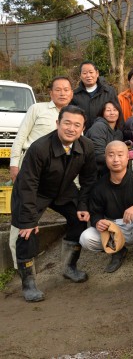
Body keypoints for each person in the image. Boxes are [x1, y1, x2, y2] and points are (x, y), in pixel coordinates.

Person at [12, 105, 97, 302]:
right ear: (58, 123)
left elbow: (88, 180)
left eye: (77, 125)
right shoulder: (39, 148)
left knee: (79, 219)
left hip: (64, 189)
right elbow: (28, 185)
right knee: (27, 231)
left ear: (82, 128)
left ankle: (69, 267)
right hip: (36, 192)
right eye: (67, 123)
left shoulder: (86, 147)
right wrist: (28, 219)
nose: (71, 128)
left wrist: (83, 205)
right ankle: (29, 283)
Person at [9, 76, 75, 269]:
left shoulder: (74, 116)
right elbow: (20, 136)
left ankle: (68, 264)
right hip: (31, 171)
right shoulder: (37, 109)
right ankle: (19, 267)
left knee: (76, 209)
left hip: (58, 175)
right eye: (58, 89)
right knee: (22, 218)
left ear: (72, 93)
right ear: (51, 93)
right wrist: (14, 164)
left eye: (66, 89)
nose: (62, 93)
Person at [80, 141, 133, 272]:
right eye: (111, 155)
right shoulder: (99, 186)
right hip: (114, 229)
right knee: (86, 238)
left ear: (127, 157)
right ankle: (117, 250)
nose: (116, 159)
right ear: (106, 159)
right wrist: (97, 222)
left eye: (120, 155)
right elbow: (95, 212)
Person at [71, 61, 119, 131]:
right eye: (84, 73)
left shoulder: (109, 92)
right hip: (82, 136)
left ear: (97, 73)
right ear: (80, 76)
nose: (88, 76)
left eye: (91, 72)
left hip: (105, 135)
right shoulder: (75, 95)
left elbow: (118, 113)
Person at [85, 99, 124, 177]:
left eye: (115, 110)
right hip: (95, 171)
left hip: (110, 168)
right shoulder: (99, 126)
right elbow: (98, 155)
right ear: (102, 113)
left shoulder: (118, 133)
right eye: (108, 110)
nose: (112, 113)